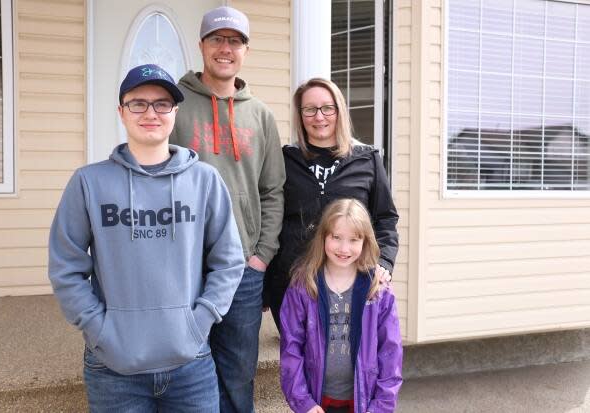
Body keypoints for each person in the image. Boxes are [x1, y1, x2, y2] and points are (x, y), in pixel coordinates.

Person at [48, 63, 245, 412]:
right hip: (113, 368)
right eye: (138, 103)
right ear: (121, 112)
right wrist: (99, 330)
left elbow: (228, 261)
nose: (150, 113)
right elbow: (66, 268)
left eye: (162, 103)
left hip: (190, 363)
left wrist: (199, 322)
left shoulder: (205, 181)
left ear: (175, 112)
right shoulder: (89, 183)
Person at [169, 6, 285, 413]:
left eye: (234, 41)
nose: (225, 48)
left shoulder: (261, 114)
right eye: (216, 39)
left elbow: (273, 191)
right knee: (188, 368)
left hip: (243, 269)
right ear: (201, 45)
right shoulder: (176, 108)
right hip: (186, 265)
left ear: (245, 51)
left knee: (238, 372)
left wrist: (261, 256)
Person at [266, 77, 399, 331]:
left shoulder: (366, 160)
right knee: (299, 361)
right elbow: (271, 218)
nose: (319, 117)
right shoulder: (285, 160)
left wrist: (384, 263)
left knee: (343, 365)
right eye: (310, 109)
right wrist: (264, 285)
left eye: (327, 108)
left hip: (350, 286)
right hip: (292, 287)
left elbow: (386, 218)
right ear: (300, 115)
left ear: (339, 111)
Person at [280, 198, 403, 413]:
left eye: (354, 239)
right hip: (317, 402)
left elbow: (391, 353)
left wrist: (381, 407)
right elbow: (291, 348)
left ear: (365, 241)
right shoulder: (303, 286)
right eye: (336, 237)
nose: (344, 248)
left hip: (365, 403)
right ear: (323, 236)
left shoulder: (379, 290)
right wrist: (303, 402)